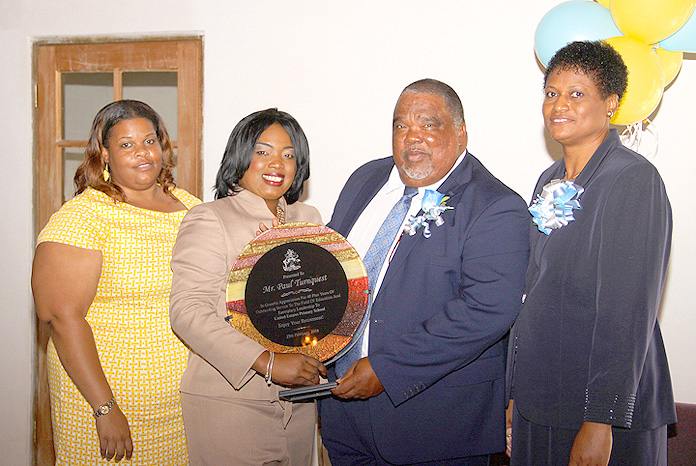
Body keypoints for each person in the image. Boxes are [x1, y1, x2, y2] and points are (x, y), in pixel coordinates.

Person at [318, 79, 530, 466]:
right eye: (401, 126)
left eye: (428, 125)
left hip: (435, 427)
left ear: (461, 133)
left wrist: (386, 369)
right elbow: (332, 268)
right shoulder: (365, 180)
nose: (412, 138)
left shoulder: (495, 206)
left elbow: (486, 310)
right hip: (343, 416)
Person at [506, 41, 676, 466]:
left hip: (599, 410)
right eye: (551, 93)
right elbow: (532, 293)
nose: (559, 105)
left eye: (577, 93)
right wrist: (512, 394)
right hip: (540, 403)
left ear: (612, 103)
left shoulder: (634, 179)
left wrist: (601, 419)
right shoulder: (548, 179)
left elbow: (627, 309)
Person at [32, 100, 200, 464]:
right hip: (105, 409)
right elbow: (60, 316)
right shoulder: (83, 217)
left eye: (150, 141)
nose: (143, 153)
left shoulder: (190, 206)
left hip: (182, 407)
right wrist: (105, 409)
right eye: (126, 144)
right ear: (104, 154)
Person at [169, 108, 327, 466]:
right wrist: (268, 363)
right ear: (241, 157)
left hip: (300, 401)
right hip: (230, 399)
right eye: (263, 151)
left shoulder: (309, 219)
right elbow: (188, 312)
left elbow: (321, 300)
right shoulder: (211, 217)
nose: (277, 163)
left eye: (289, 154)